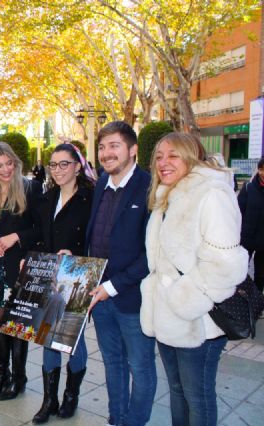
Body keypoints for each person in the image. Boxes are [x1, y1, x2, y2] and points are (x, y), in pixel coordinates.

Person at [140, 132, 248, 425]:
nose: (163, 162)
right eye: (159, 156)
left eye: (173, 155)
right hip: (168, 315)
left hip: (199, 320)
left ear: (191, 156)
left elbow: (226, 265)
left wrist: (183, 300)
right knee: (177, 391)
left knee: (197, 396)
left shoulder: (212, 192)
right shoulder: (166, 195)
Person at [86, 121, 156, 426]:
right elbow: (97, 236)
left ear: (133, 149)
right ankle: (117, 419)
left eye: (114, 146)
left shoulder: (150, 186)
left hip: (133, 300)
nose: (106, 153)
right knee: (113, 363)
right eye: (102, 147)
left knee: (141, 369)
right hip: (100, 299)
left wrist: (113, 286)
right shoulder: (101, 183)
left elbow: (152, 254)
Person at [30, 143, 94, 424]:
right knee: (48, 337)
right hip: (50, 276)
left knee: (72, 341)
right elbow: (38, 235)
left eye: (64, 164)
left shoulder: (91, 198)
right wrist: (29, 259)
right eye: (53, 165)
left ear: (78, 166)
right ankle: (49, 400)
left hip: (78, 276)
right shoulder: (46, 197)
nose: (57, 170)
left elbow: (97, 238)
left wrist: (77, 255)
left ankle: (70, 396)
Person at [0, 142, 41, 400]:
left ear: (16, 162)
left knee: (18, 324)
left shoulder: (31, 188)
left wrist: (17, 236)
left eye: (9, 163)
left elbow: (41, 228)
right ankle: (0, 374)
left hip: (20, 267)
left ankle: (19, 378)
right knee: (1, 323)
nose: (5, 170)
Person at [238, 157, 264, 292]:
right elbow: (238, 213)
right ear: (259, 170)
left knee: (260, 275)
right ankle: (238, 302)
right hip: (247, 238)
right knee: (240, 272)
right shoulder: (248, 188)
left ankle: (257, 302)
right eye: (262, 169)